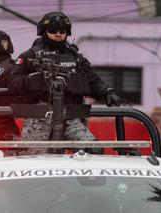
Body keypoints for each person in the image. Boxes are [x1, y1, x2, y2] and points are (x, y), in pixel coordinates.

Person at [8, 11, 123, 142]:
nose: (58, 34)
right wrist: (32, 80)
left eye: (63, 31)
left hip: (70, 117)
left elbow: (92, 80)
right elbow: (13, 83)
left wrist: (106, 92)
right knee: (34, 159)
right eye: (53, 30)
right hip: (39, 117)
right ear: (44, 31)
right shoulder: (29, 56)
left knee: (93, 151)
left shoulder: (76, 58)